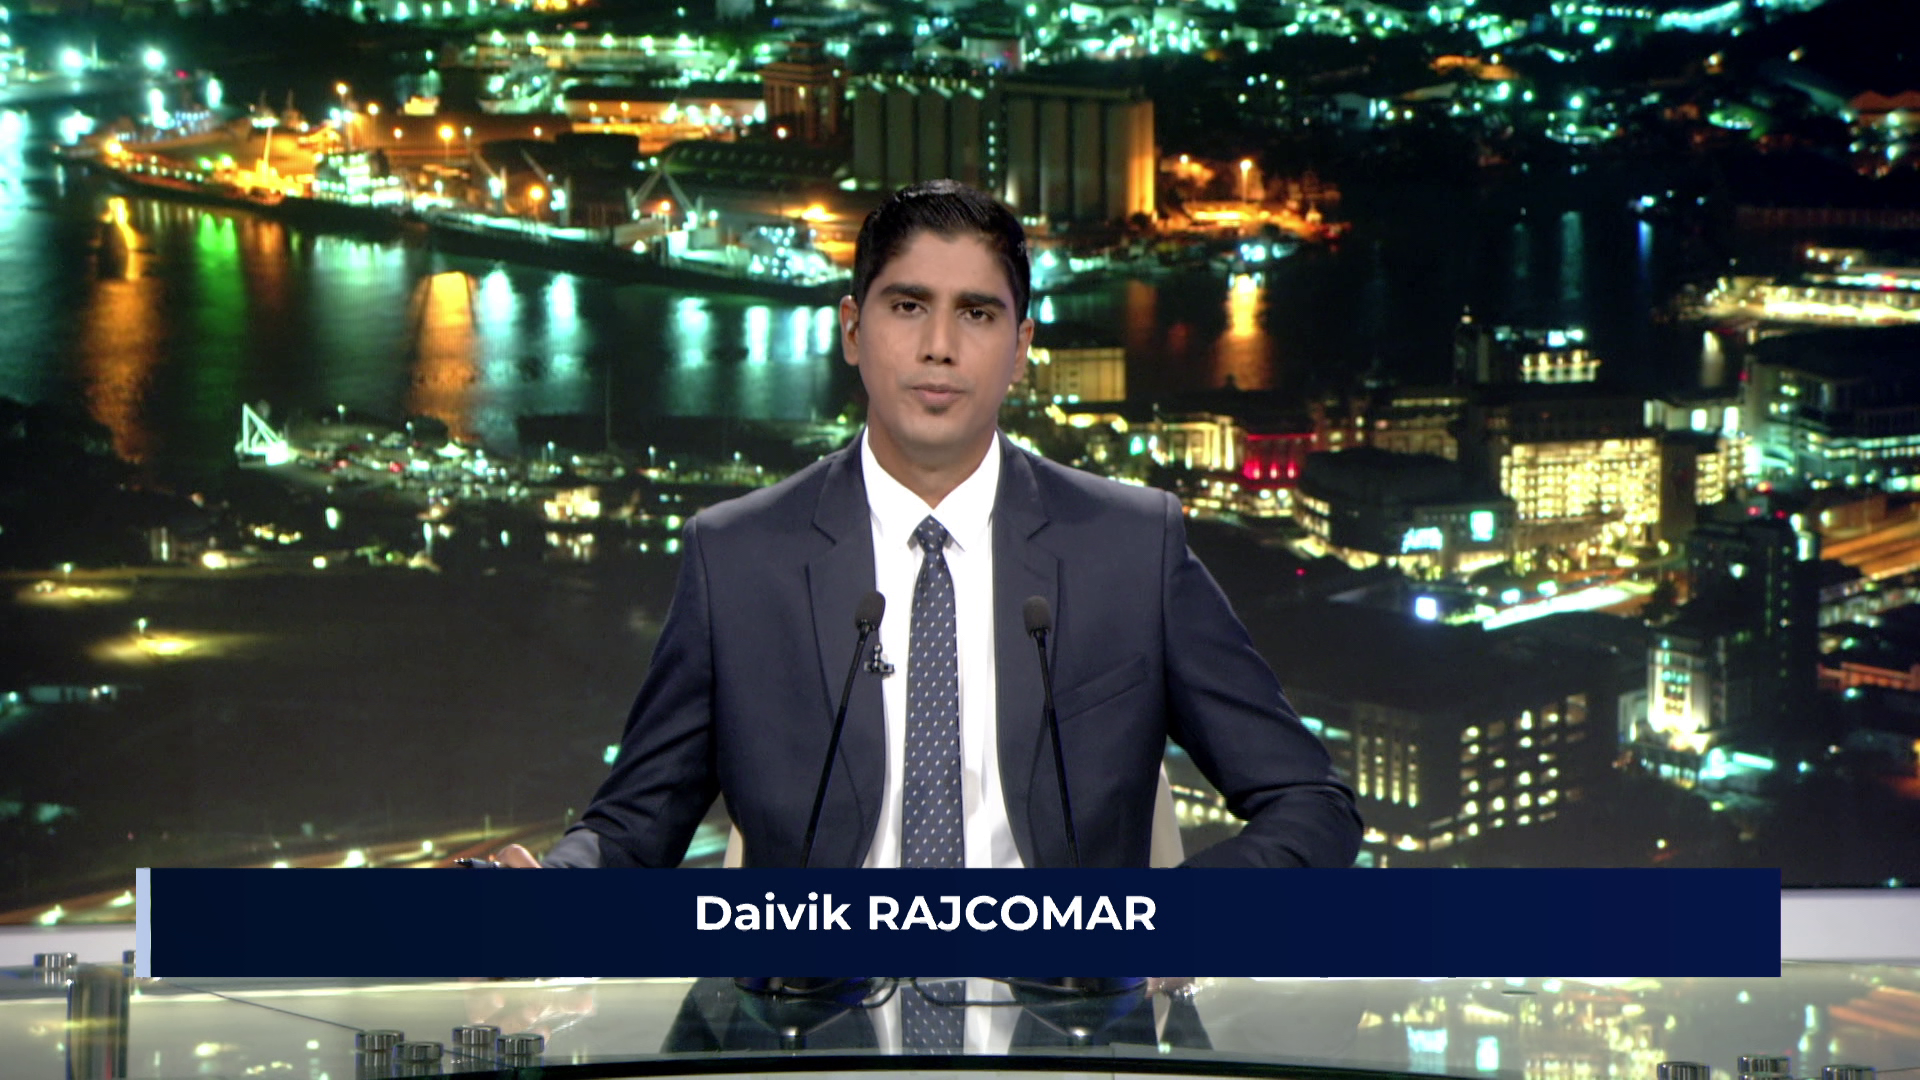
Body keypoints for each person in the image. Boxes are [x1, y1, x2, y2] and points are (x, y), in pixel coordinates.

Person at [497, 179, 1360, 870]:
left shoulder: (1131, 547)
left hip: (1069, 1014)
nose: (939, 345)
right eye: (907, 307)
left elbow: (1311, 803)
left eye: (976, 314)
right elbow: (634, 827)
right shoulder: (738, 557)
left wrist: (1173, 925)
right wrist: (543, 888)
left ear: (1021, 348)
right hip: (811, 1015)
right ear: (851, 330)